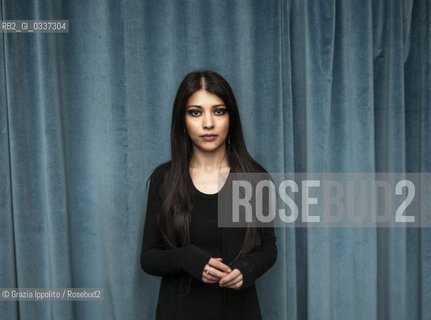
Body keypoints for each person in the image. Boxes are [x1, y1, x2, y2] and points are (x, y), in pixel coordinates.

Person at [140, 70, 277, 320]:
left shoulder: (252, 176)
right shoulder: (165, 178)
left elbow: (268, 248)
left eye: (218, 111)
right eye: (195, 112)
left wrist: (248, 268)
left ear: (230, 118)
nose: (208, 123)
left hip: (239, 311)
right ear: (182, 120)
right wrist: (185, 257)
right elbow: (149, 258)